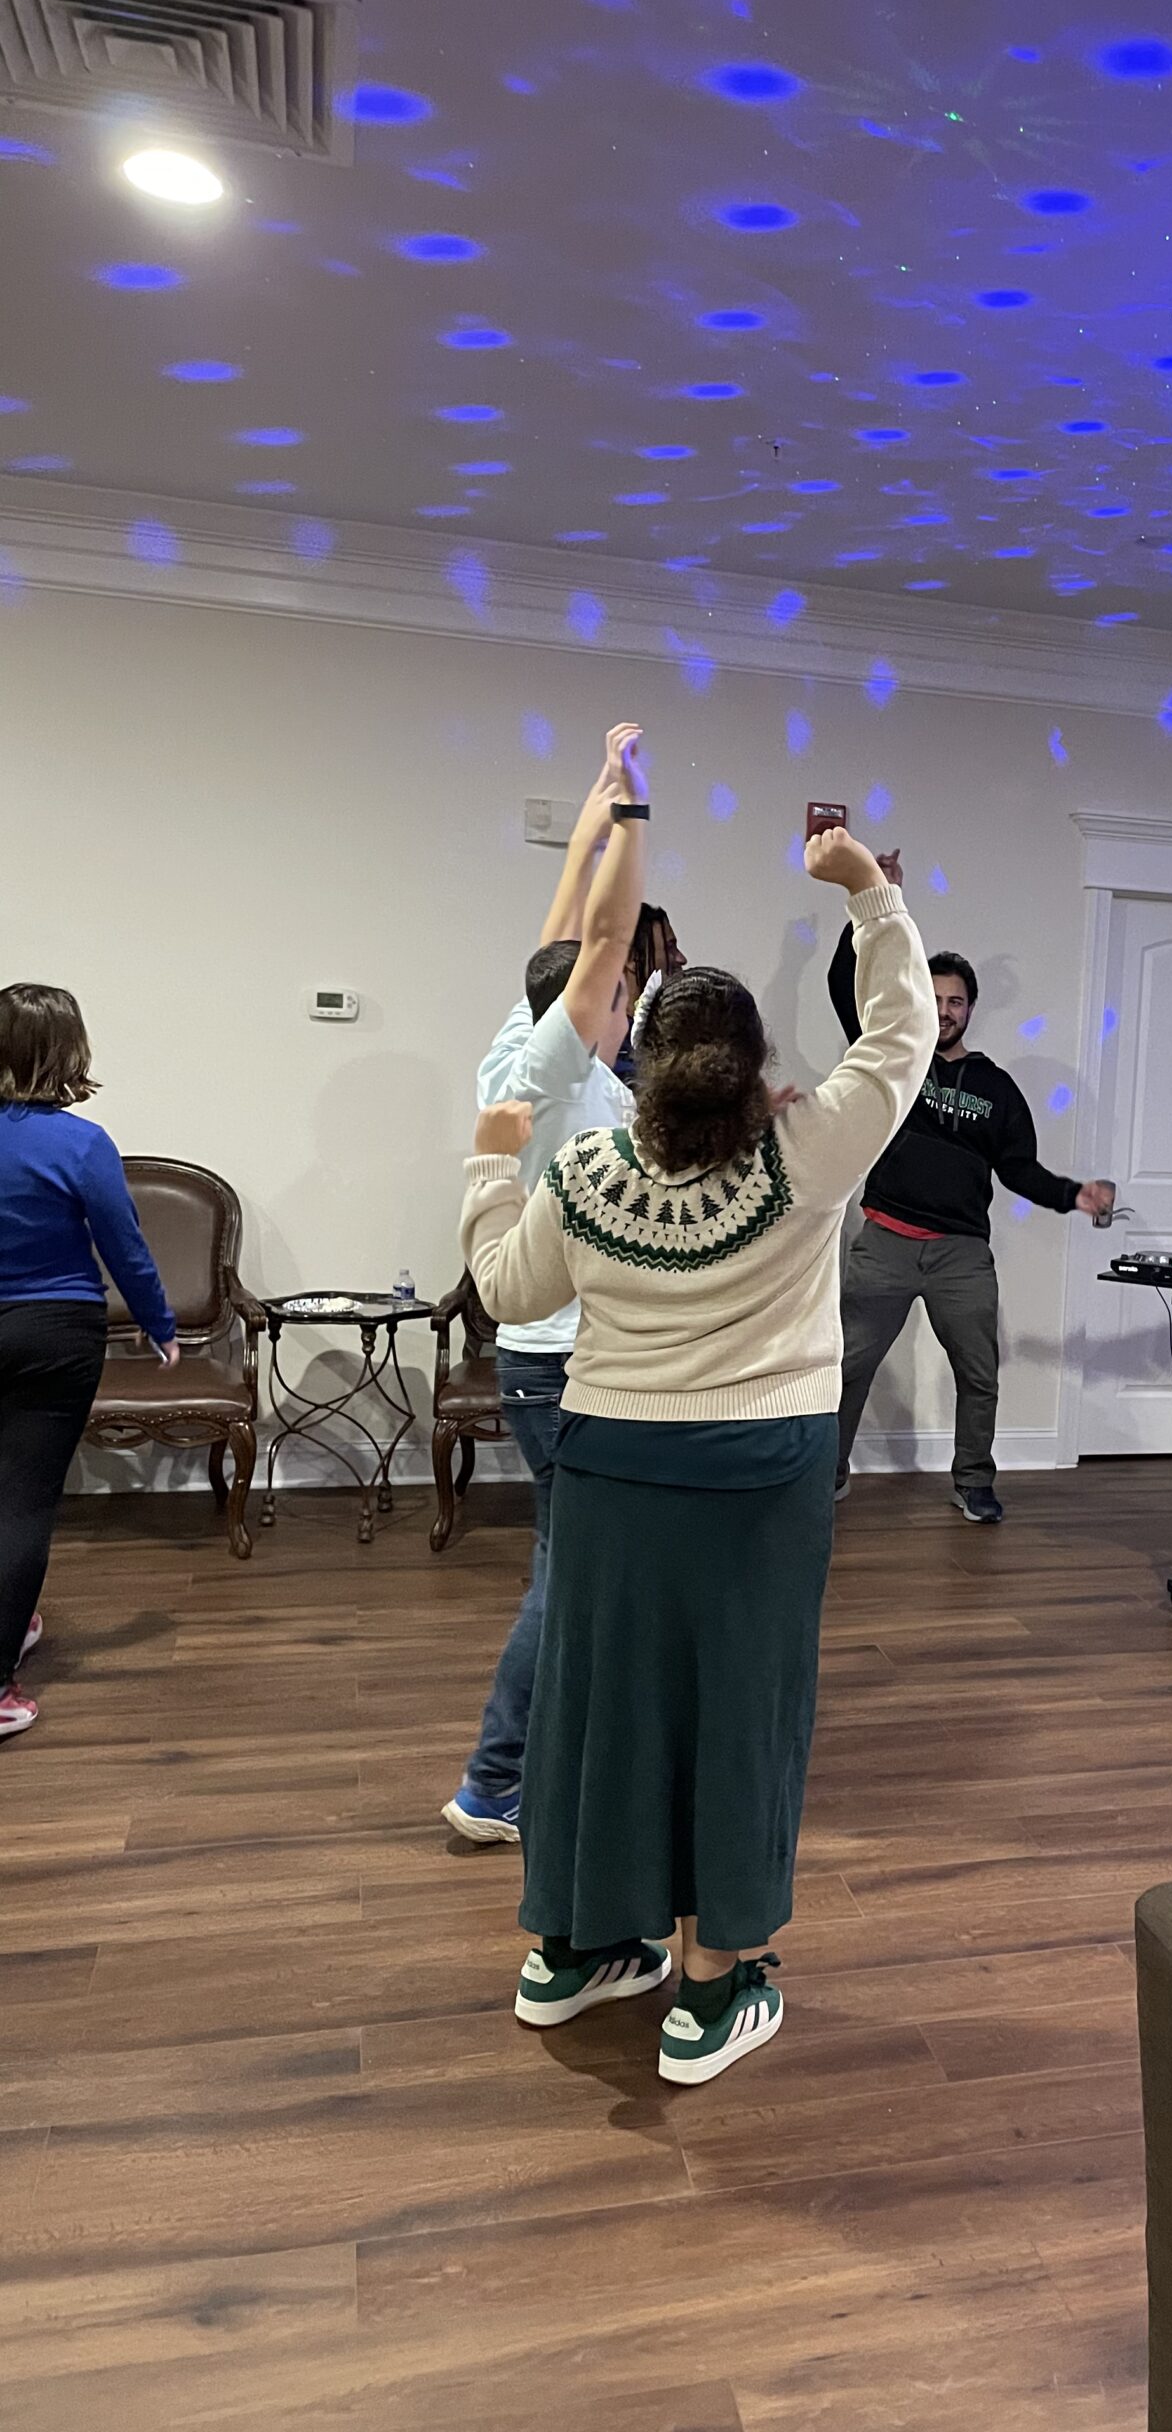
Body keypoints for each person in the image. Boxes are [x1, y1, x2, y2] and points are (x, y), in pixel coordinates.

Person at [461, 787, 935, 2085]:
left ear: (646, 1061)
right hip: (758, 1479)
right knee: (737, 1713)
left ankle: (575, 1949)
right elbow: (901, 1035)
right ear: (752, 1060)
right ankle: (712, 1989)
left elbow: (502, 1287)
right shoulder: (806, 1156)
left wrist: (491, 1157)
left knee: (602, 1707)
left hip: (609, 1473)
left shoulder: (587, 1174)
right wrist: (867, 889)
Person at [442, 727, 664, 1845]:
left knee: (571, 1565)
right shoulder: (556, 1066)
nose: (628, 1008)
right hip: (566, 1362)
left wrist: (599, 795)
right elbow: (604, 935)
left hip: (553, 1360)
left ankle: (546, 1763)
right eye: (619, 994)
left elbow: (571, 917)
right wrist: (637, 815)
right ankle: (495, 1783)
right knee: (568, 1573)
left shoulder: (513, 1042)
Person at [827, 849, 1114, 1525]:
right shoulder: (893, 1054)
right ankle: (826, 1474)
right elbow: (845, 982)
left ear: (971, 1009)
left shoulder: (996, 1087)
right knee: (846, 1367)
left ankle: (974, 1480)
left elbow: (1019, 1169)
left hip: (961, 1253)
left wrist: (1074, 1194)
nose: (945, 1010)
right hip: (885, 1242)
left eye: (956, 1001)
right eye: (934, 999)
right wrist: (872, 899)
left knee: (978, 1374)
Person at [0, 983, 179, 1740]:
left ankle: (14, 1626)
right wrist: (159, 1325)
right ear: (71, 1051)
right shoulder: (81, 1143)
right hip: (55, 1334)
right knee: (22, 1501)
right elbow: (123, 1245)